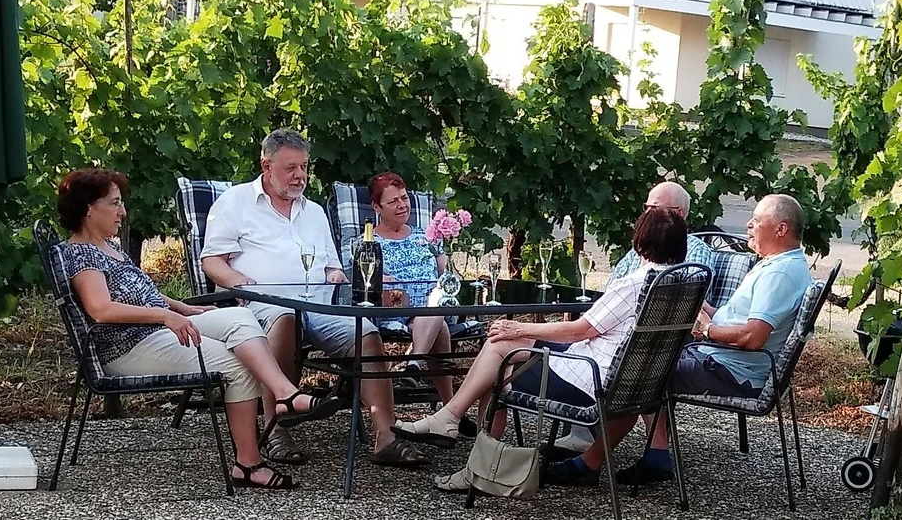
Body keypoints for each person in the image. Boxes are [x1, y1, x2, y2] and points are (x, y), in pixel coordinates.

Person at [56, 167, 344, 489]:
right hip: (130, 346)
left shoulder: (109, 248)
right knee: (239, 364)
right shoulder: (82, 254)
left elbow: (140, 292)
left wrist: (181, 308)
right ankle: (248, 464)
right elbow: (101, 310)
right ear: (87, 208)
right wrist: (165, 316)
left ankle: (285, 393)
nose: (123, 211)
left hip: (156, 330)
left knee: (240, 317)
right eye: (115, 203)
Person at [388, 207, 693, 492]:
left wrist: (521, 328)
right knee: (503, 354)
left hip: (589, 381)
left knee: (500, 359)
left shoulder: (635, 284)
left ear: (639, 240)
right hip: (637, 387)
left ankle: (466, 448)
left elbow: (580, 329)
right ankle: (454, 427)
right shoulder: (684, 282)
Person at [545, 194, 813, 487]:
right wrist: (702, 310)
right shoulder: (780, 264)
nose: (748, 225)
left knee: (638, 372)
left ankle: (590, 462)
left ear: (781, 229)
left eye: (757, 221)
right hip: (725, 359)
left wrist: (707, 330)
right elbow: (740, 323)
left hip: (731, 369)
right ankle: (653, 453)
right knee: (646, 360)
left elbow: (752, 337)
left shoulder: (780, 274)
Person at [201, 130, 428, 467]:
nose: (300, 176)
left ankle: (385, 436)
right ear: (266, 165)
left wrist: (349, 277)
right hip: (263, 306)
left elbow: (332, 270)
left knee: (367, 332)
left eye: (304, 167)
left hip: (319, 306)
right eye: (291, 168)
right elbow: (211, 261)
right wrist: (240, 282)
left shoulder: (314, 212)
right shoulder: (235, 203)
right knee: (286, 320)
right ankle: (276, 427)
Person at [554, 180, 718, 455]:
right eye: (646, 207)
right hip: (623, 337)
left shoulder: (695, 253)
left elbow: (687, 300)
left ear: (677, 214)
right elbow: (613, 293)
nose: (645, 215)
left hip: (642, 347)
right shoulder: (640, 254)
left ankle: (489, 456)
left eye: (653, 208)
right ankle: (614, 450)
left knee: (510, 351)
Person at [367, 171, 478, 434]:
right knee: (437, 322)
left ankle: (414, 364)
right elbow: (369, 284)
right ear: (376, 207)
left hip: (431, 310)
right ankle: (450, 409)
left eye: (404, 198)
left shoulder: (426, 237)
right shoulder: (369, 243)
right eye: (393, 201)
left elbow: (445, 276)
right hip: (394, 309)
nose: (402, 205)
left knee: (436, 304)